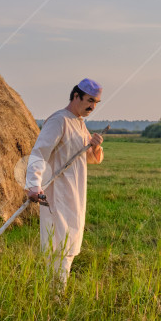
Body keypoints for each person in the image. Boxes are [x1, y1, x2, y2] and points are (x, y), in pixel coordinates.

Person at [25, 78, 105, 288]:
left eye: (96, 102)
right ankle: (54, 298)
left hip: (75, 195)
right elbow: (39, 153)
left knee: (68, 246)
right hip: (56, 194)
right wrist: (33, 185)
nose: (92, 106)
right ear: (76, 96)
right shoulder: (59, 120)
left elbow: (90, 158)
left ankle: (56, 294)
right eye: (90, 100)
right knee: (57, 247)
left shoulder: (80, 124)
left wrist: (95, 147)